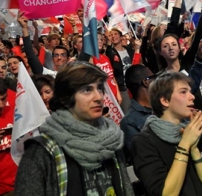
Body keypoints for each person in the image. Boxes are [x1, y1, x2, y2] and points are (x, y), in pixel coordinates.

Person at [15, 61, 134, 195]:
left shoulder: (112, 138)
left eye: (100, 88)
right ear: (66, 97)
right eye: (87, 90)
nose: (98, 97)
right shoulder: (42, 152)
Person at [131, 72, 202, 195]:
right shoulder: (143, 142)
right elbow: (166, 193)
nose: (192, 97)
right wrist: (185, 144)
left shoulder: (195, 131)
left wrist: (195, 149)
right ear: (164, 100)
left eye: (190, 92)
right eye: (183, 92)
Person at [120, 64, 155, 153]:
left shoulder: (164, 107)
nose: (157, 81)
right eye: (154, 77)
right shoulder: (129, 122)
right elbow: (141, 154)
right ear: (146, 82)